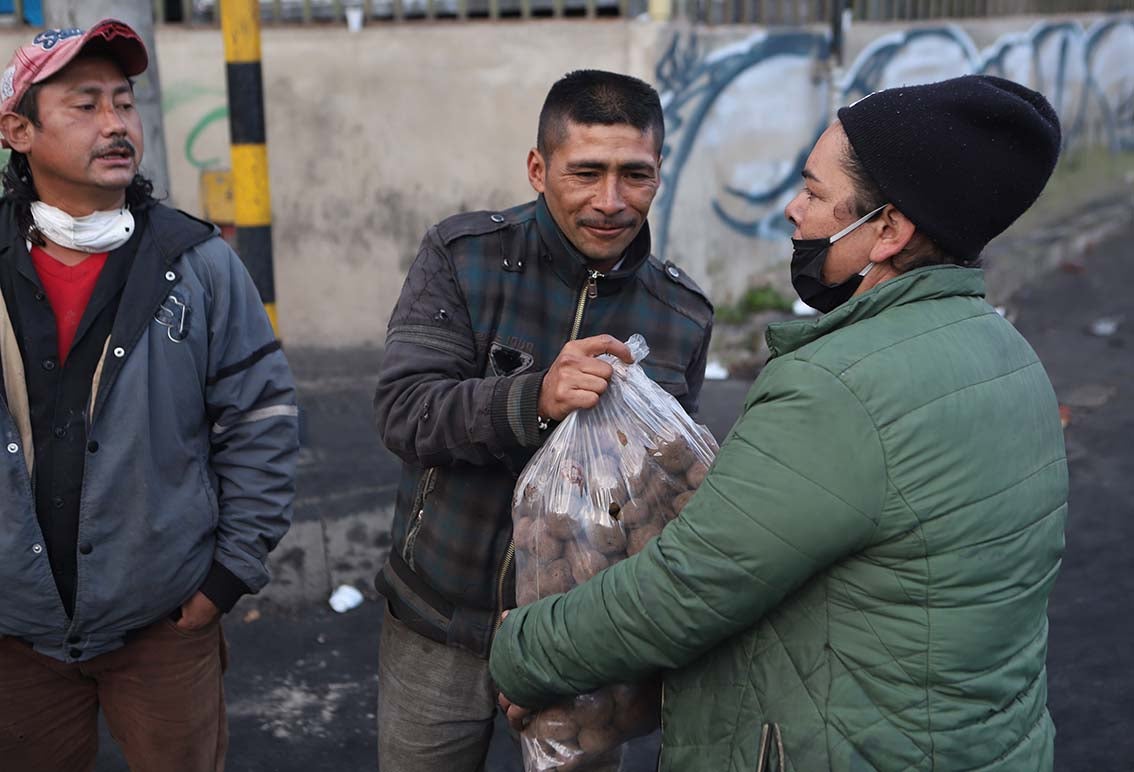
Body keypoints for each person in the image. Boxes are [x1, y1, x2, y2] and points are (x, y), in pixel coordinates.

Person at [491, 74, 1068, 771]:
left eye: (817, 193)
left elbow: (690, 586)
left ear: (888, 229)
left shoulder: (840, 385)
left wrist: (526, 652)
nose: (794, 211)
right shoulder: (1006, 352)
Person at [372, 69, 713, 770]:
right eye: (585, 172)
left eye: (635, 175)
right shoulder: (464, 260)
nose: (611, 201)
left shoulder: (682, 314)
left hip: (586, 644)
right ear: (538, 167)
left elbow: (672, 497)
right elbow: (405, 411)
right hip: (441, 621)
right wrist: (534, 400)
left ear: (659, 173)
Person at [0, 20, 298, 771]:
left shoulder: (197, 262)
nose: (116, 125)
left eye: (125, 103)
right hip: (14, 636)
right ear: (18, 130)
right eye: (85, 105)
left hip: (163, 626)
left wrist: (224, 580)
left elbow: (263, 417)